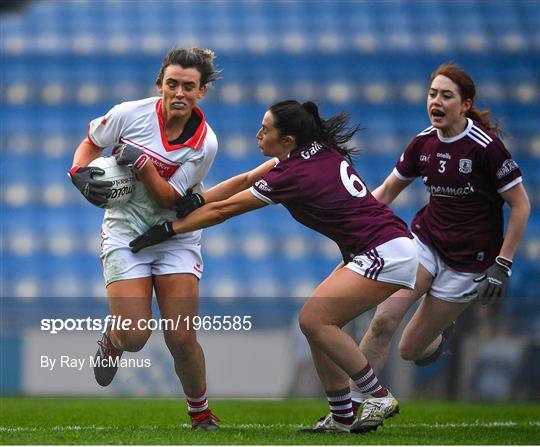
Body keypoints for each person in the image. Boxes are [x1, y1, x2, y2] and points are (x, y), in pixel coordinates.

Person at [128, 99, 419, 434]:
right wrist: (195, 200)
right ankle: (342, 417)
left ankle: (377, 395)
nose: (258, 134)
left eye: (265, 130)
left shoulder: (293, 173)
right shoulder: (312, 151)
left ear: (287, 140)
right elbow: (244, 180)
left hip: (384, 251)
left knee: (314, 319)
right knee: (318, 326)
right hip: (379, 246)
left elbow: (226, 211)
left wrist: (168, 231)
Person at [341, 63, 530, 424]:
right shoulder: (423, 143)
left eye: (446, 96)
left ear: (465, 104)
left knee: (410, 349)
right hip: (426, 244)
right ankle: (350, 408)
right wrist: (355, 229)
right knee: (383, 320)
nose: (436, 102)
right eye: (432, 94)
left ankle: (440, 334)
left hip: (469, 264)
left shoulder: (486, 149)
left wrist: (502, 264)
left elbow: (521, 205)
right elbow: (386, 191)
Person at [68, 48, 221, 430]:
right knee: (135, 336)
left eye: (189, 86)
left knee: (182, 336)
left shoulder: (205, 144)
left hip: (175, 237)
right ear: (160, 85)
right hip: (124, 231)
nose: (180, 93)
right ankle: (113, 341)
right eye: (173, 84)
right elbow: (90, 142)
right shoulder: (128, 114)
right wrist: (79, 173)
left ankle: (200, 414)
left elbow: (171, 198)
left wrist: (143, 165)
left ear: (202, 91)